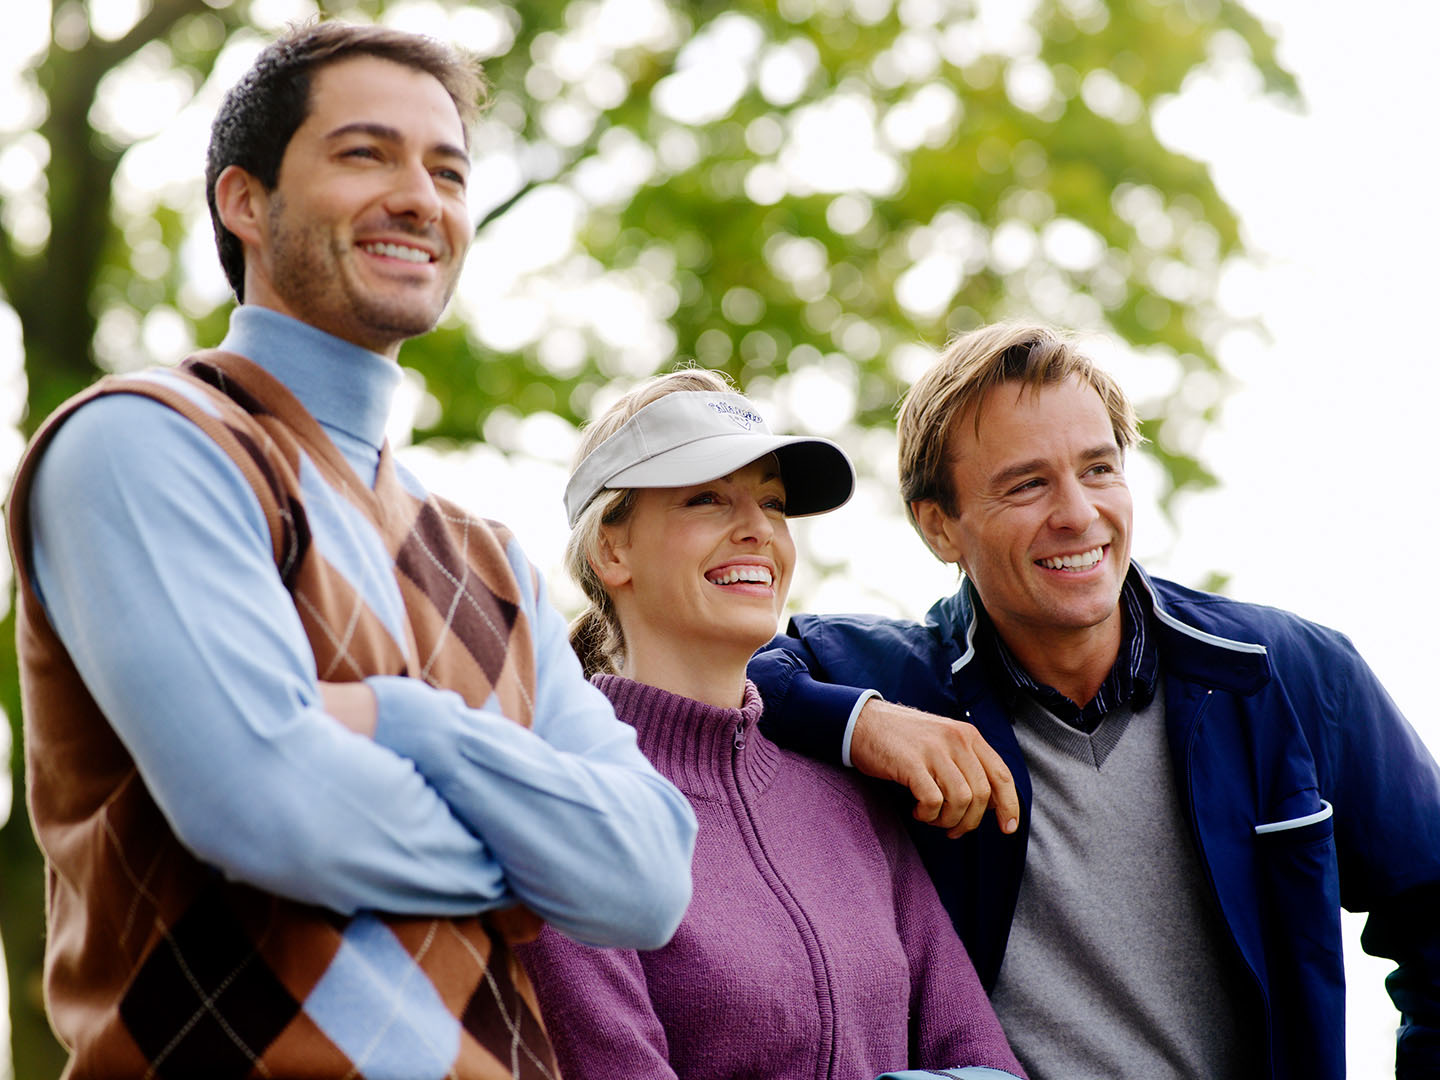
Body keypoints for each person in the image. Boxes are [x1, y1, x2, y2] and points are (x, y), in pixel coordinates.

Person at [4, 22, 697, 1078]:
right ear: (244, 200)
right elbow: (266, 809)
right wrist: (542, 859)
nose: (420, 196)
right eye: (366, 153)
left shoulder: (496, 562)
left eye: (448, 169)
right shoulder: (143, 443)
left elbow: (646, 879)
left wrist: (405, 723)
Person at [750, 322, 1440, 1079]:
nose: (1078, 514)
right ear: (939, 526)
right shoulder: (892, 681)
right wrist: (865, 725)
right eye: (1027, 483)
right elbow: (731, 672)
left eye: (1099, 469)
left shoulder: (1292, 674)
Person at [516, 369, 1026, 1080]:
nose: (757, 529)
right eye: (707, 499)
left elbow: (984, 1062)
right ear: (612, 550)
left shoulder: (851, 804)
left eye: (772, 502)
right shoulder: (559, 813)